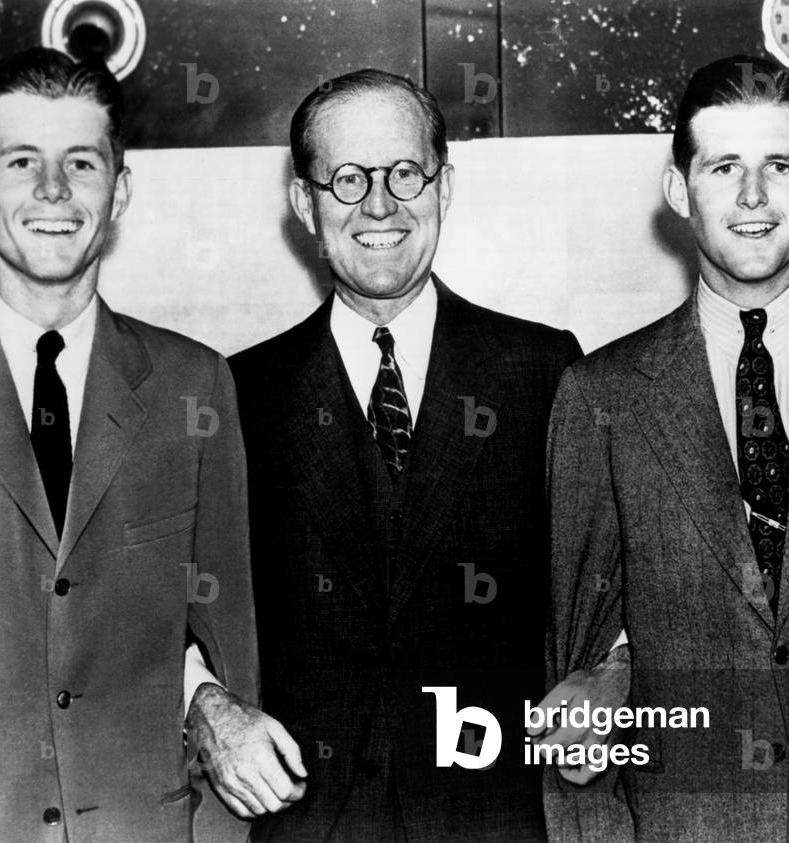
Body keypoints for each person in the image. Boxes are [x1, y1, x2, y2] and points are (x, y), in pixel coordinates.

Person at [0, 47, 303, 842]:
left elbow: (229, 655)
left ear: (118, 192)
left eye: (81, 163)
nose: (53, 191)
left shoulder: (194, 386)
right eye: (22, 161)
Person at [542, 55, 789, 842]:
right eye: (723, 167)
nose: (752, 197)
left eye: (779, 164)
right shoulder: (600, 394)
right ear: (679, 188)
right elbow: (576, 674)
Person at [229, 68, 582, 840]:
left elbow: (606, 576)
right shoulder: (238, 391)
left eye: (404, 173)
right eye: (348, 178)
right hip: (308, 815)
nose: (379, 205)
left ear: (443, 186)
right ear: (303, 201)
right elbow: (174, 597)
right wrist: (204, 703)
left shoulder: (544, 371)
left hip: (492, 814)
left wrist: (609, 672)